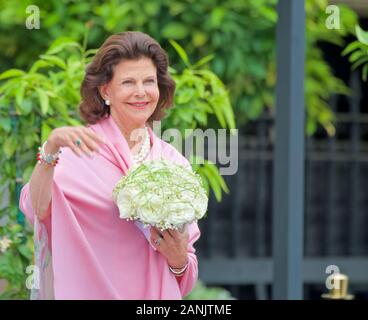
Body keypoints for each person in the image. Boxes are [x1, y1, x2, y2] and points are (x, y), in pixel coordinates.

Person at [19, 31, 201, 300]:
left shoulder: (173, 162)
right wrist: (51, 148)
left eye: (149, 81)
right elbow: (36, 208)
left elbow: (185, 277)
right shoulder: (80, 150)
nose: (141, 92)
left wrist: (178, 260)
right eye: (128, 82)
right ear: (106, 90)